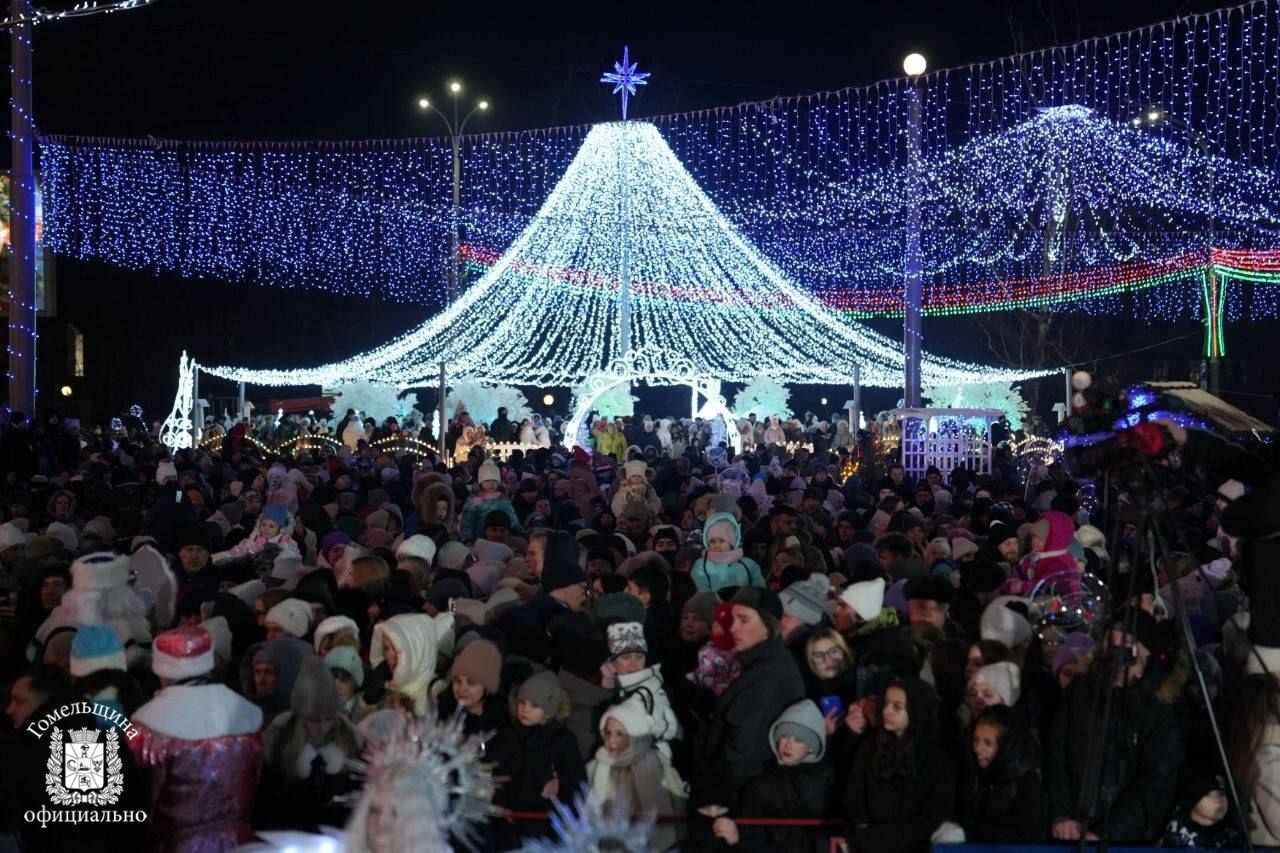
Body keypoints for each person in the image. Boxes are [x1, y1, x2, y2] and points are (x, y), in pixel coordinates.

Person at [130, 625, 264, 852]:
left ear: (162, 670)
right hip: (240, 844)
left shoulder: (147, 724)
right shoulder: (249, 715)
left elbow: (141, 798)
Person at [693, 587, 805, 807]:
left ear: (768, 625)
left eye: (743, 620)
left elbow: (743, 755)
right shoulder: (758, 664)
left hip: (738, 802)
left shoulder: (767, 678)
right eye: (732, 618)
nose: (733, 627)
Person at [844, 677, 959, 853]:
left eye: (897, 707)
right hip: (869, 842)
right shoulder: (869, 748)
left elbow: (933, 814)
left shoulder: (937, 757)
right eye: (886, 704)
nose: (887, 711)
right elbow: (854, 800)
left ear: (916, 710)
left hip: (917, 844)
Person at [709, 699, 834, 853]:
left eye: (799, 739)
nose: (788, 745)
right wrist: (736, 838)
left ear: (810, 747)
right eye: (784, 736)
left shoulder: (824, 781)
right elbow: (750, 836)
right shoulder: (758, 785)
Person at [488, 671, 587, 847]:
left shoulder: (562, 740)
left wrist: (560, 794)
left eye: (534, 705)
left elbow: (576, 783)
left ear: (548, 710)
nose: (525, 709)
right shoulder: (508, 735)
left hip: (544, 826)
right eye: (522, 702)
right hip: (506, 822)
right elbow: (496, 773)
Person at [957, 705, 1042, 843]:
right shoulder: (973, 776)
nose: (978, 749)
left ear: (1006, 745)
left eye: (988, 743)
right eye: (975, 740)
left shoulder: (1026, 782)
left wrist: (971, 833)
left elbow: (1026, 836)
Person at [689, 511, 765, 594]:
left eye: (722, 541)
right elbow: (701, 592)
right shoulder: (701, 565)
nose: (717, 545)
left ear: (732, 542)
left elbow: (760, 592)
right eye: (712, 541)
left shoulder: (749, 565)